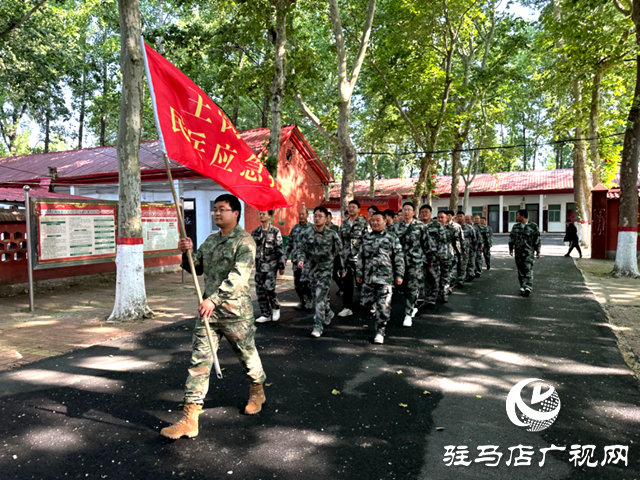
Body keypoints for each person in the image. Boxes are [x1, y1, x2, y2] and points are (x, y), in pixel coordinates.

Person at [161, 194, 266, 440]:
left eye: (222, 209)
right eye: (215, 210)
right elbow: (196, 267)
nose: (217, 213)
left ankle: (257, 389)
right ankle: (190, 418)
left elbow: (238, 278)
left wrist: (214, 299)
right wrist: (185, 253)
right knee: (199, 362)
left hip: (234, 313)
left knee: (246, 355)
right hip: (208, 313)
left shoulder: (245, 242)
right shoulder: (210, 241)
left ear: (235, 213)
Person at [356, 211, 404, 344]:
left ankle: (380, 331)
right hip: (369, 278)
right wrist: (359, 273)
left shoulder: (392, 237)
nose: (375, 223)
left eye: (378, 220)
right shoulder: (366, 237)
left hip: (385, 278)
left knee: (383, 306)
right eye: (373, 220)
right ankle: (376, 312)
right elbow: (360, 257)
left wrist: (399, 274)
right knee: (366, 303)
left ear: (384, 221)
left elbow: (398, 257)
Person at [298, 206, 345, 337]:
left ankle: (317, 326)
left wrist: (342, 268)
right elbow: (301, 249)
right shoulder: (307, 233)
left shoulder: (332, 234)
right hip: (311, 271)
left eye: (320, 216)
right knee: (318, 297)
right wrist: (300, 260)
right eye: (315, 216)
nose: (317, 218)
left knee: (319, 298)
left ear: (326, 219)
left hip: (325, 271)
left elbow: (340, 252)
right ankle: (328, 312)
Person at [251, 211, 285, 323]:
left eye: (264, 214)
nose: (261, 216)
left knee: (269, 288)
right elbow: (251, 249)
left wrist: (281, 266)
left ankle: (275, 307)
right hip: (259, 266)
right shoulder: (255, 232)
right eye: (260, 214)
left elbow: (279, 249)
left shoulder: (275, 231)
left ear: (270, 216)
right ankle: (265, 313)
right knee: (260, 290)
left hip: (271, 266)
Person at [339, 200, 368, 317]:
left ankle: (368, 304)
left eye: (354, 207)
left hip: (360, 258)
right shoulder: (344, 224)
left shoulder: (363, 223)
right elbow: (340, 241)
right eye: (350, 207)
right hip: (346, 258)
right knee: (347, 284)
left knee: (363, 283)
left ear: (359, 209)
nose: (351, 209)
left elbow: (368, 240)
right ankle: (347, 307)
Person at [397, 202, 424, 327]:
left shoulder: (420, 226)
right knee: (402, 288)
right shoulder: (396, 227)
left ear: (413, 212)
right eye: (404, 210)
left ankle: (408, 314)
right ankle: (413, 304)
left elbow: (426, 243)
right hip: (400, 262)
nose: (406, 212)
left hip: (415, 262)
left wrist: (429, 259)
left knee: (412, 287)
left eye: (409, 210)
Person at [284, 208, 313, 310]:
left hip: (307, 261)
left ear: (307, 215)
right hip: (296, 260)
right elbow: (289, 243)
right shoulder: (295, 228)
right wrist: (285, 256)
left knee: (306, 282)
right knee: (297, 283)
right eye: (299, 214)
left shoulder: (312, 228)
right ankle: (301, 300)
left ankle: (309, 299)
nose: (301, 216)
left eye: (303, 214)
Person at [419, 204, 447, 309]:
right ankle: (420, 299)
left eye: (426, 212)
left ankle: (431, 299)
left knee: (434, 278)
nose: (424, 214)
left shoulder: (437, 225)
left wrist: (441, 255)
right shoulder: (417, 225)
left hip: (434, 256)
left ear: (431, 213)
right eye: (422, 212)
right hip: (419, 256)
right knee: (419, 278)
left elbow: (442, 241)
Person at [509, 209, 541, 296]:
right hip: (518, 251)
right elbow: (512, 238)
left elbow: (537, 239)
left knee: (528, 268)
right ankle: (522, 285)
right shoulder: (515, 227)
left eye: (517, 215)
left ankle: (528, 286)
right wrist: (511, 248)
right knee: (520, 269)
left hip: (528, 252)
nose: (516, 217)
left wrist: (538, 250)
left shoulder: (533, 226)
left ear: (523, 216)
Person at [437, 211, 458, 302]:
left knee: (445, 276)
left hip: (447, 256)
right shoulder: (432, 230)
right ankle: (435, 294)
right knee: (436, 276)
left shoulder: (452, 230)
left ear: (446, 219)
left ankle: (444, 294)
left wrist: (459, 254)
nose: (440, 219)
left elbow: (456, 244)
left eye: (442, 217)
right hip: (435, 257)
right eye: (438, 217)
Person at [326, 212, 344, 293]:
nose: (326, 220)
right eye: (325, 218)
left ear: (331, 218)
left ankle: (342, 287)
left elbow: (339, 242)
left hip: (335, 256)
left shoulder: (336, 228)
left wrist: (335, 253)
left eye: (328, 218)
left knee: (334, 274)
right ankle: (327, 293)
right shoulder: (321, 229)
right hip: (325, 256)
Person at [447, 210, 465, 290]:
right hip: (443, 252)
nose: (448, 217)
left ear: (453, 217)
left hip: (453, 252)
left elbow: (461, 240)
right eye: (446, 215)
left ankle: (451, 285)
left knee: (452, 270)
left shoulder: (457, 226)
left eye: (449, 215)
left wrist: (461, 251)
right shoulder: (441, 226)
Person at [455, 213, 474, 286]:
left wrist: (474, 247)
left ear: (464, 217)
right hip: (454, 249)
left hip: (465, 249)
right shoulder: (454, 227)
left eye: (461, 216)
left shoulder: (469, 227)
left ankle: (460, 279)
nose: (459, 218)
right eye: (458, 216)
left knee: (462, 265)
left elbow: (474, 238)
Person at [464, 215, 479, 281]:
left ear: (471, 220)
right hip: (464, 248)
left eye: (468, 219)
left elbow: (475, 238)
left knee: (471, 262)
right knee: (464, 263)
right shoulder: (461, 227)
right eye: (466, 219)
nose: (467, 221)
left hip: (471, 247)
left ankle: (470, 274)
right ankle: (466, 274)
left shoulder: (473, 228)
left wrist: (475, 246)